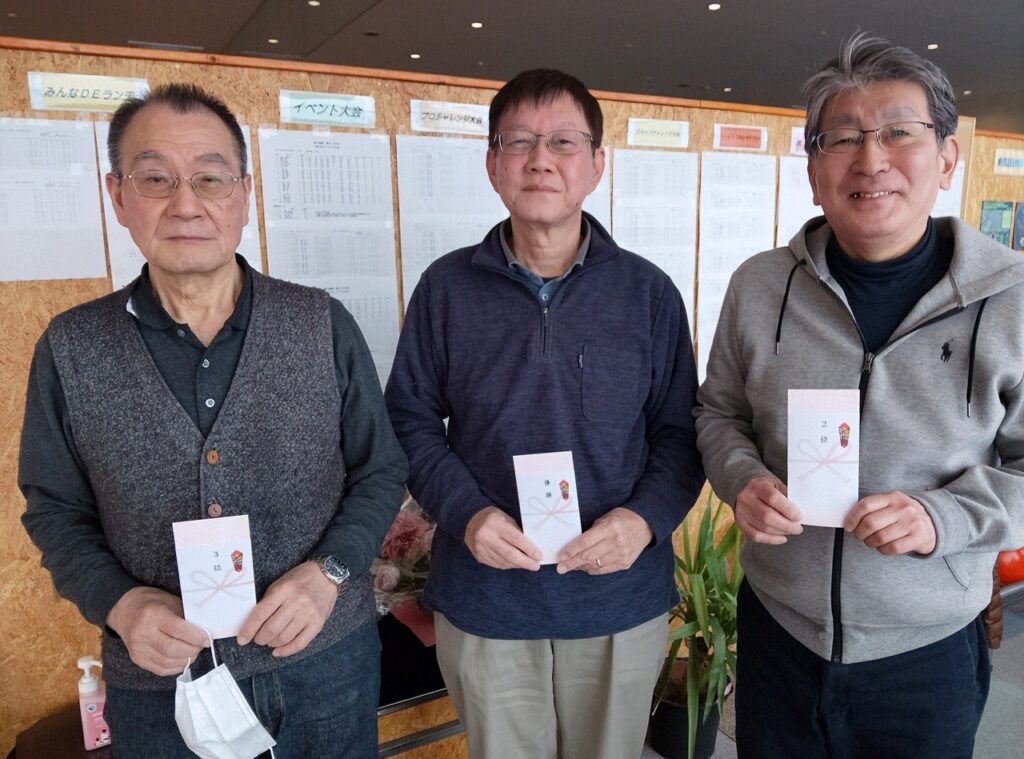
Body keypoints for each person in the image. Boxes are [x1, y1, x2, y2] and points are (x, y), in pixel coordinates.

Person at [19, 83, 407, 758]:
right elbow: (54, 509)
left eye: (209, 177)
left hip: (326, 666)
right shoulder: (71, 348)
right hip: (160, 684)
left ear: (244, 195)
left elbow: (380, 468)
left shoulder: (320, 323)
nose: (185, 203)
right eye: (155, 178)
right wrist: (120, 604)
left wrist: (329, 574)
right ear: (118, 196)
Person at [695, 33, 1024, 758]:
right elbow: (718, 413)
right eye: (843, 138)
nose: (871, 160)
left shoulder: (1012, 301)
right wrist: (742, 480)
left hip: (927, 651)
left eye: (899, 132)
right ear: (814, 170)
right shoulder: (759, 286)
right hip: (779, 634)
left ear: (947, 157)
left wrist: (942, 517)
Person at [385, 69, 703, 759]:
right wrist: (468, 515)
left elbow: (681, 435)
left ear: (597, 163)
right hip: (488, 598)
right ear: (492, 164)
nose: (540, 159)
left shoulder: (649, 294)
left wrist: (642, 521)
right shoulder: (445, 289)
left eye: (563, 141)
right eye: (519, 142)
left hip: (616, 597)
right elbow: (408, 422)